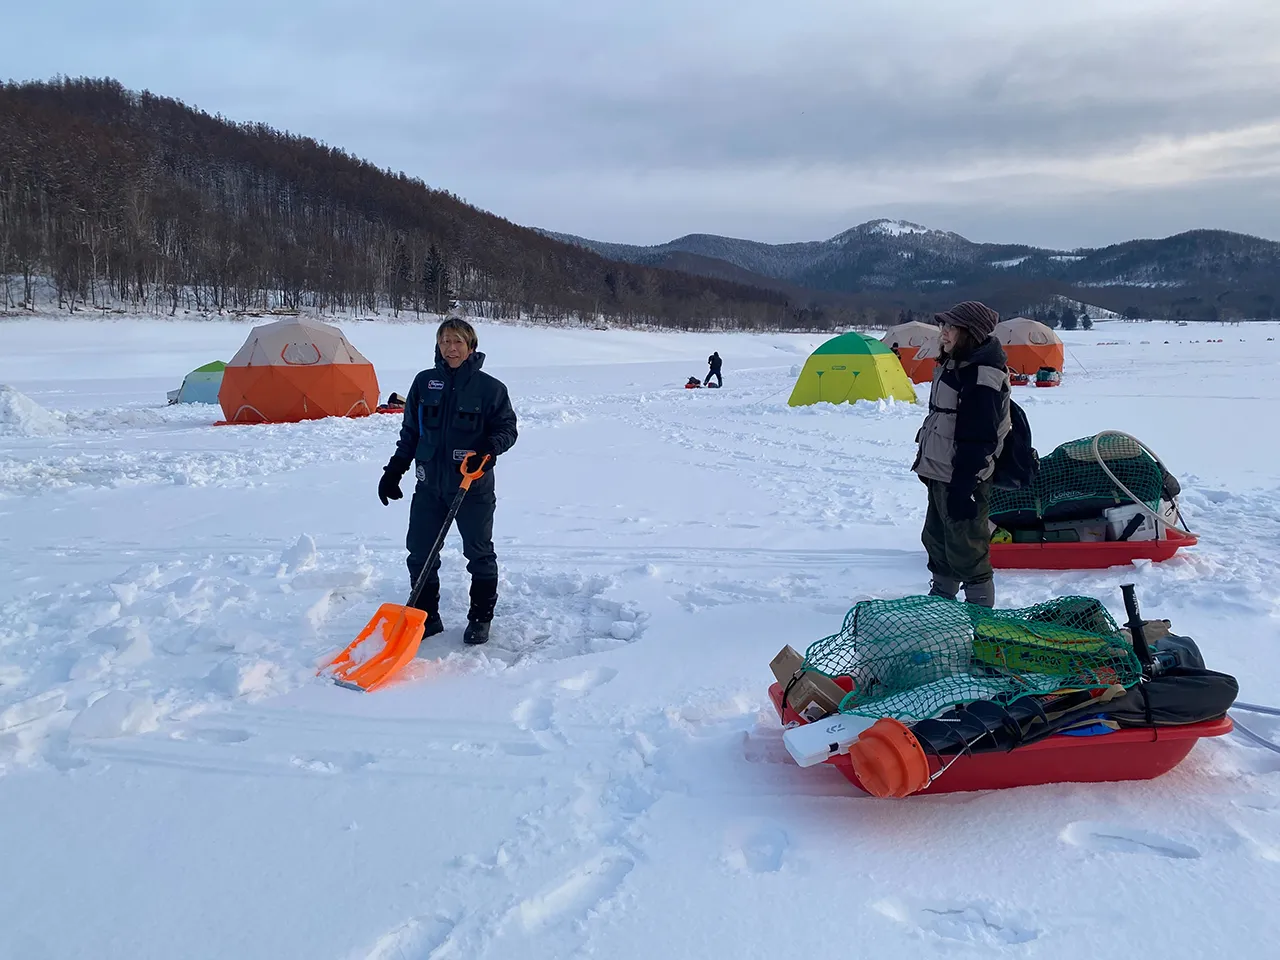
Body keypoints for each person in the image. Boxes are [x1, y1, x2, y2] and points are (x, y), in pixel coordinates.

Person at [377, 314, 518, 644]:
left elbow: (507, 429)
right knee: (419, 553)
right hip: (429, 486)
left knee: (479, 553)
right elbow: (411, 432)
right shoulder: (424, 383)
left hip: (472, 487)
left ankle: (480, 618)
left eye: (457, 342)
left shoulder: (491, 389)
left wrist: (488, 449)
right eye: (444, 341)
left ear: (471, 347)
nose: (450, 348)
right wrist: (394, 470)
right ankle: (427, 618)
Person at [911, 301, 1011, 608]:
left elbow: (979, 439)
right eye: (944, 326)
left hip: (963, 477)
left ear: (970, 333)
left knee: (967, 548)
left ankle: (979, 614)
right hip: (942, 471)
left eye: (952, 327)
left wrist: (965, 485)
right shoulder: (956, 365)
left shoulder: (981, 376)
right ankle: (941, 601)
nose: (944, 333)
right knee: (938, 540)